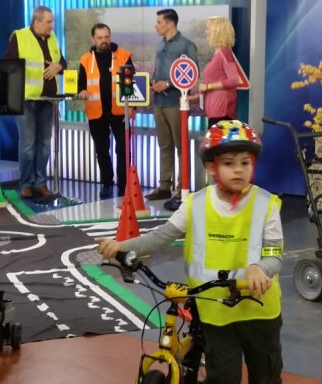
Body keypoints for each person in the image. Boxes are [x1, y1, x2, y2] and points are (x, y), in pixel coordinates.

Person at [99, 120, 284, 384]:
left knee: (266, 376)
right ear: (211, 167)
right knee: (222, 378)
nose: (238, 169)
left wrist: (259, 268)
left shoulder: (266, 204)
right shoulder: (195, 204)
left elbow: (274, 255)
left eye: (245, 162)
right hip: (215, 312)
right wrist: (122, 247)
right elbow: (162, 236)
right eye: (229, 163)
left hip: (260, 310)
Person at [4, 5, 67, 199]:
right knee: (28, 146)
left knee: (44, 145)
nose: (52, 26)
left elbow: (63, 62)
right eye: (49, 22)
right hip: (27, 100)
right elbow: (8, 66)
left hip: (48, 101)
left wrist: (58, 66)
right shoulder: (20, 36)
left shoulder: (52, 38)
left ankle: (40, 183)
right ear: (36, 22)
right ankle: (26, 184)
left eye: (52, 22)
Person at [148, 8, 198, 208]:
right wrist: (153, 81)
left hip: (176, 104)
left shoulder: (186, 45)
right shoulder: (161, 43)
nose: (156, 25)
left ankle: (182, 189)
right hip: (159, 103)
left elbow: (192, 72)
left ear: (170, 24)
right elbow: (157, 69)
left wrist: (168, 84)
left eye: (159, 22)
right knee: (164, 145)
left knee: (181, 146)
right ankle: (164, 186)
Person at [77, 23, 132, 198]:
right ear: (93, 39)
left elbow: (132, 84)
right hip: (96, 112)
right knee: (102, 151)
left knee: (123, 150)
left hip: (120, 112)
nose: (104, 41)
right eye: (100, 38)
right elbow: (81, 84)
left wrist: (133, 108)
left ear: (110, 36)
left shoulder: (124, 56)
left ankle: (124, 186)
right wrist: (82, 91)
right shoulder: (85, 59)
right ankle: (106, 183)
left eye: (107, 37)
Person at [197, 16, 241, 127]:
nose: (206, 32)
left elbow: (233, 80)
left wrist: (207, 86)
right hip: (215, 110)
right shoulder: (220, 53)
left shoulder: (224, 53)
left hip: (221, 111)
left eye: (208, 29)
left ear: (216, 31)